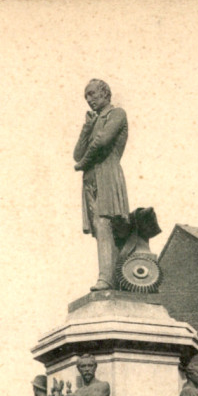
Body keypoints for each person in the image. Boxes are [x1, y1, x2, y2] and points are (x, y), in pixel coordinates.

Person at [73, 79, 129, 291]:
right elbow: (76, 153)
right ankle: (109, 276)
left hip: (106, 174)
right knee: (99, 228)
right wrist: (87, 127)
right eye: (86, 96)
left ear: (105, 94)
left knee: (106, 224)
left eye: (92, 94)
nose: (89, 100)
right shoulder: (94, 120)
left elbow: (103, 142)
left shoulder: (116, 114)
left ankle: (107, 278)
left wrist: (83, 163)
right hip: (91, 179)